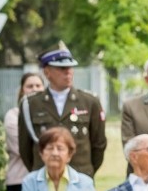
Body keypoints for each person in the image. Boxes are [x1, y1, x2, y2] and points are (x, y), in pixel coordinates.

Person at [18, 42, 108, 178]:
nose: (68, 72)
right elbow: (25, 148)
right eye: (62, 68)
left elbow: (99, 144)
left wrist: (86, 172)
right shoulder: (30, 104)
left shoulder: (89, 102)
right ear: (47, 72)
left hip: (80, 177)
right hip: (43, 178)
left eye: (70, 67)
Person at [6, 72, 44, 191]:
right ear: (22, 90)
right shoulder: (13, 115)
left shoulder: (48, 114)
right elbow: (23, 148)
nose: (34, 89)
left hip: (46, 181)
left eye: (38, 85)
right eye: (30, 86)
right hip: (20, 182)